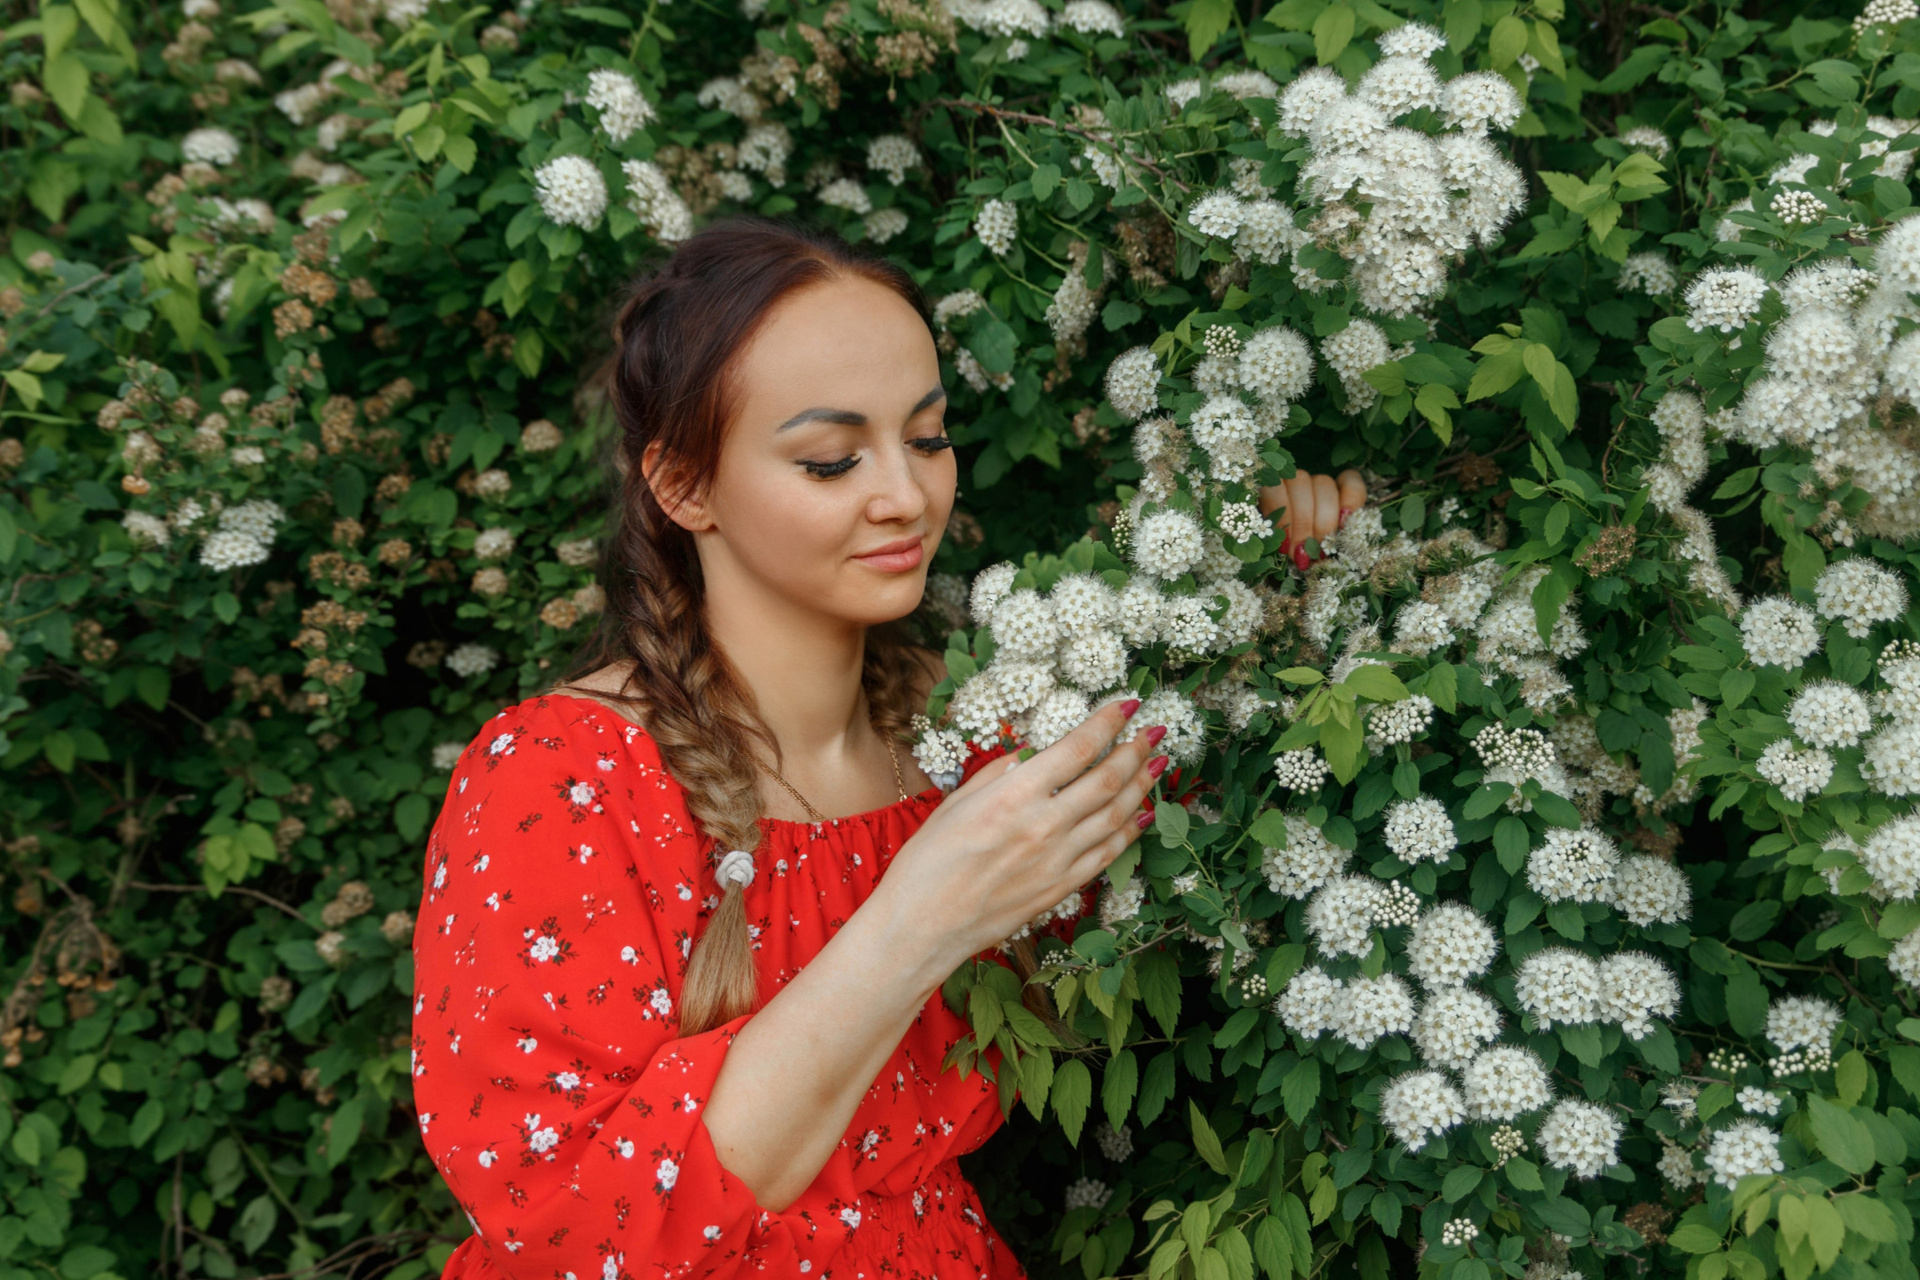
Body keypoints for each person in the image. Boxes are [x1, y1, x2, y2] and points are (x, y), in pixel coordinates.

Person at [409, 216, 1362, 1280]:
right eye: (830, 461)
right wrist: (922, 915)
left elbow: (1210, 805)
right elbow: (575, 1236)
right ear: (683, 486)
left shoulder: (973, 737)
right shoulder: (562, 781)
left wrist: (1273, 578)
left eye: (928, 438)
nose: (906, 497)